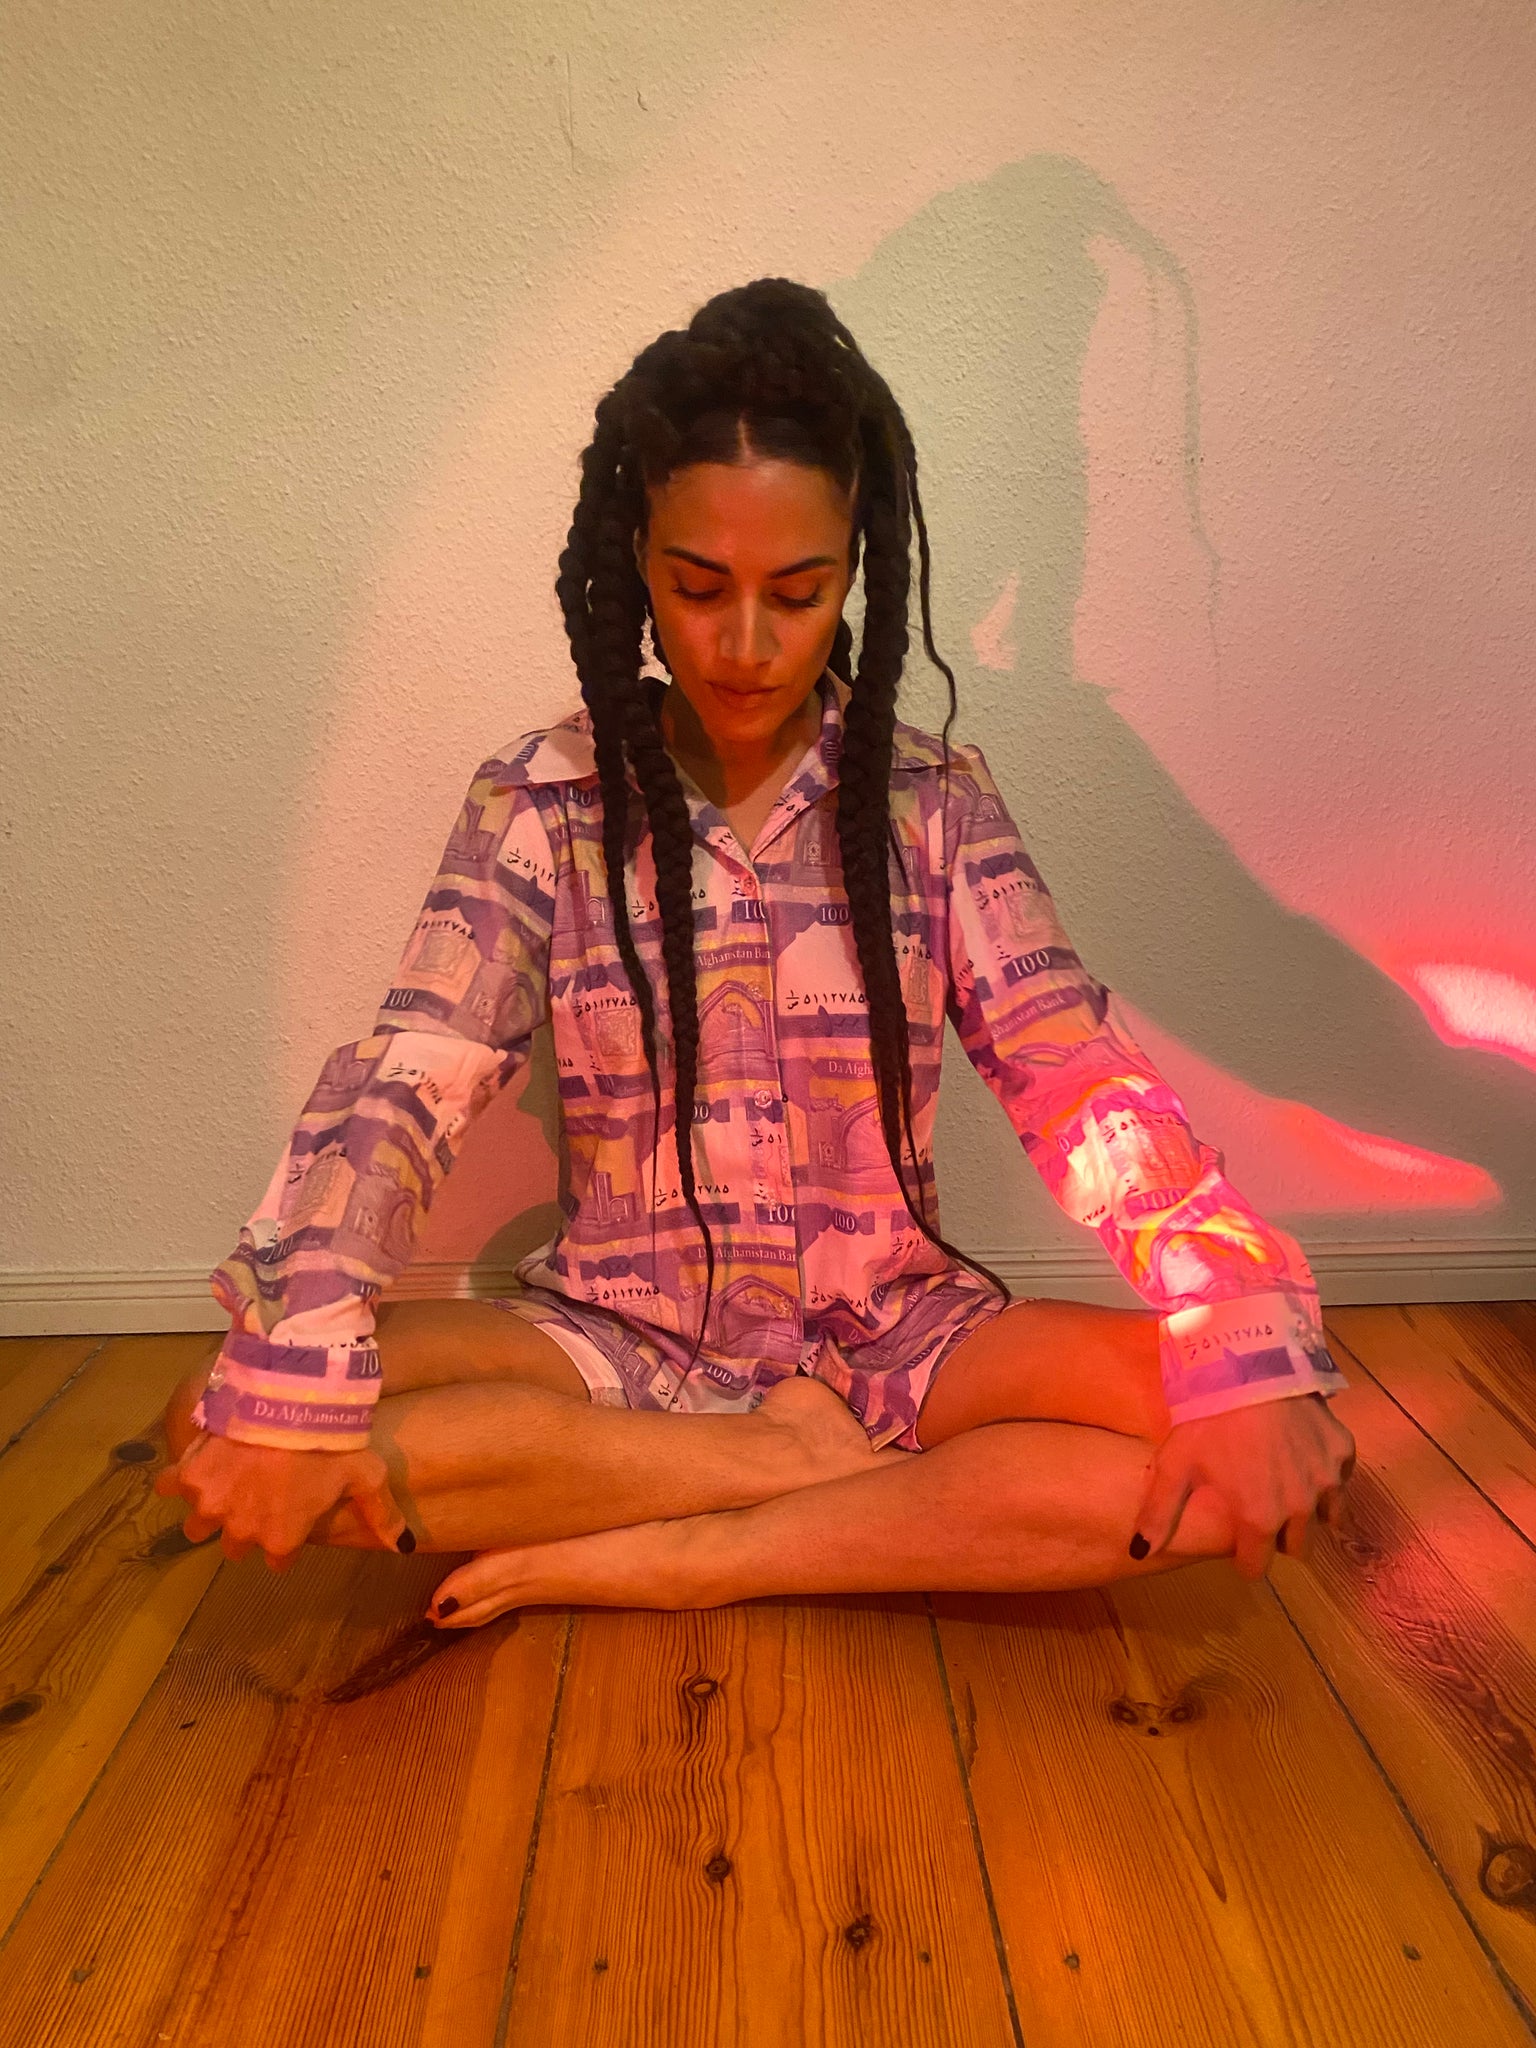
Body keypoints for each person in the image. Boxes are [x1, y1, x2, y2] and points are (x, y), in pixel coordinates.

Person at [156, 278, 1355, 1629]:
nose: (742, 645)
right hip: (612, 1340)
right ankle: (757, 1468)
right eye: (696, 586)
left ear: (854, 576)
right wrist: (292, 1363)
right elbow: (407, 1083)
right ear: (634, 571)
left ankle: (703, 1551)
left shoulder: (933, 804)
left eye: (795, 593)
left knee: (1252, 1405)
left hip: (898, 1340)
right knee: (242, 1401)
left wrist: (1242, 1328)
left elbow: (1078, 1080)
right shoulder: (543, 803)